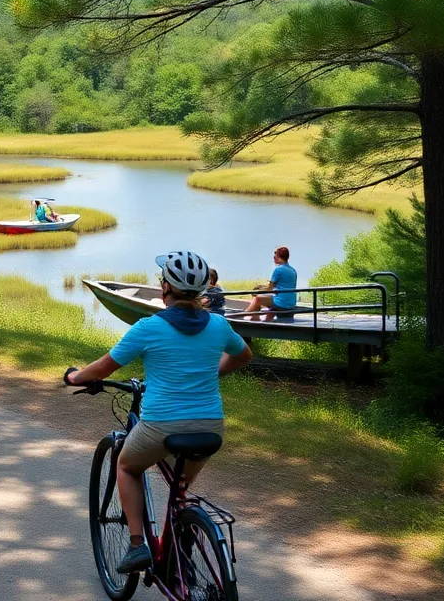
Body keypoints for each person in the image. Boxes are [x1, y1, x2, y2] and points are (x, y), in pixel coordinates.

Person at [64, 250, 252, 574]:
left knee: (126, 464)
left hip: (161, 426)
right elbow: (243, 356)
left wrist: (75, 377)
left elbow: (105, 367)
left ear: (165, 287)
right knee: (179, 488)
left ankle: (138, 546)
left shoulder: (148, 328)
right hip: (210, 427)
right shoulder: (219, 326)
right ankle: (183, 547)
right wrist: (210, 373)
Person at [243, 246, 297, 322]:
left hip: (282, 301)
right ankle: (264, 321)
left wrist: (260, 290)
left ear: (278, 257)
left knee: (257, 299)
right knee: (270, 306)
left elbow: (269, 289)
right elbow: (284, 286)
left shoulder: (278, 269)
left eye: (275, 256)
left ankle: (242, 315)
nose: (273, 258)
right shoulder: (293, 270)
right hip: (291, 301)